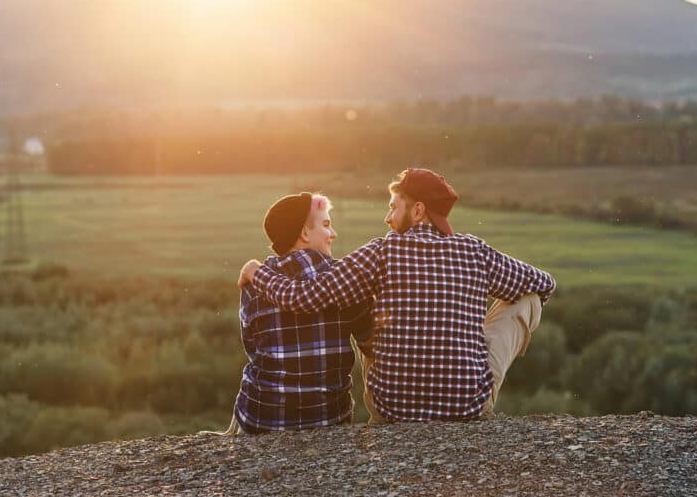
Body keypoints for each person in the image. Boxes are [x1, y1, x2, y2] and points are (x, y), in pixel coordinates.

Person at [238, 169, 555, 423]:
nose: (387, 219)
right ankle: (466, 370)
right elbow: (544, 284)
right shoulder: (475, 251)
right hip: (467, 406)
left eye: (393, 207)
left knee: (365, 308)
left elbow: (303, 297)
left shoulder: (381, 251)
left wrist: (257, 271)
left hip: (392, 410)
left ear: (418, 210)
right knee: (526, 298)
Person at [224, 192, 372, 434]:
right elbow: (369, 341)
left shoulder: (254, 282)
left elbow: (252, 346)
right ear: (304, 232)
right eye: (326, 224)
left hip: (263, 418)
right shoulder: (343, 279)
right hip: (330, 417)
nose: (333, 234)